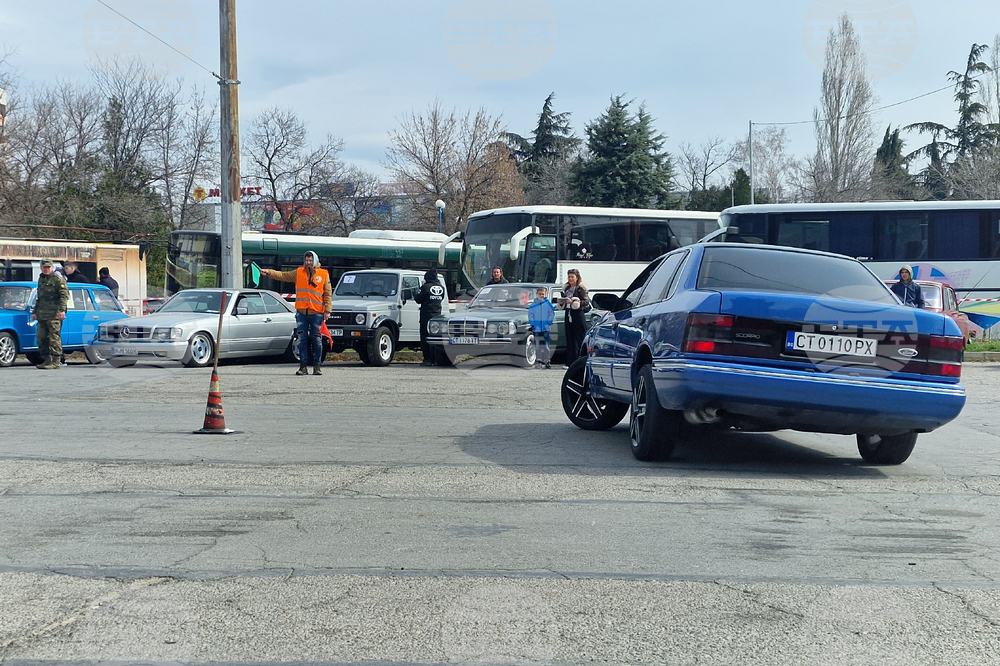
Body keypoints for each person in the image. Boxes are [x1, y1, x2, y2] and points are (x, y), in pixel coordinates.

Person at [259, 252, 332, 375]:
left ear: (315, 260)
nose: (308, 262)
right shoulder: (299, 272)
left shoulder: (323, 274)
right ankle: (303, 367)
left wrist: (328, 311)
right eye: (306, 260)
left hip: (317, 312)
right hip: (301, 312)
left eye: (310, 260)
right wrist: (269, 272)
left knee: (317, 339)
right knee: (302, 340)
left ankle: (317, 366)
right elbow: (283, 275)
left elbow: (328, 294)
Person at [31, 259, 69, 370]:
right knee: (41, 338)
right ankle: (46, 359)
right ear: (41, 268)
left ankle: (56, 361)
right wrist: (35, 312)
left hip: (54, 314)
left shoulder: (57, 280)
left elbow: (64, 296)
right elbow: (40, 298)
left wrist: (62, 310)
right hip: (42, 314)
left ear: (52, 267)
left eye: (49, 267)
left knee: (54, 338)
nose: (47, 269)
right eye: (44, 267)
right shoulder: (41, 279)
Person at [414, 268, 446, 365]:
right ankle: (435, 359)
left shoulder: (425, 287)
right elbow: (442, 299)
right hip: (437, 316)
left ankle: (427, 359)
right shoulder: (441, 288)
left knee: (425, 337)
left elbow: (418, 299)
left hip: (426, 316)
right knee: (435, 338)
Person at [560, 268, 590, 368]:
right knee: (570, 337)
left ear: (577, 278)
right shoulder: (567, 288)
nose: (570, 279)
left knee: (580, 337)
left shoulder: (580, 288)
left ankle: (583, 359)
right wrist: (562, 302)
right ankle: (571, 361)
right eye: (569, 277)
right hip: (568, 313)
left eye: (572, 277)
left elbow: (586, 302)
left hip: (578, 314)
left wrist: (574, 301)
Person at [528, 286, 555, 369]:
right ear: (536, 294)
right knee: (538, 345)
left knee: (546, 345)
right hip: (537, 328)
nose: (541, 295)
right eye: (540, 294)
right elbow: (530, 315)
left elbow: (552, 313)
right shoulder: (533, 305)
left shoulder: (548, 304)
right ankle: (538, 360)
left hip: (546, 327)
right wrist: (533, 324)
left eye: (543, 294)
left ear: (545, 294)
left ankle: (547, 360)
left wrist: (549, 322)